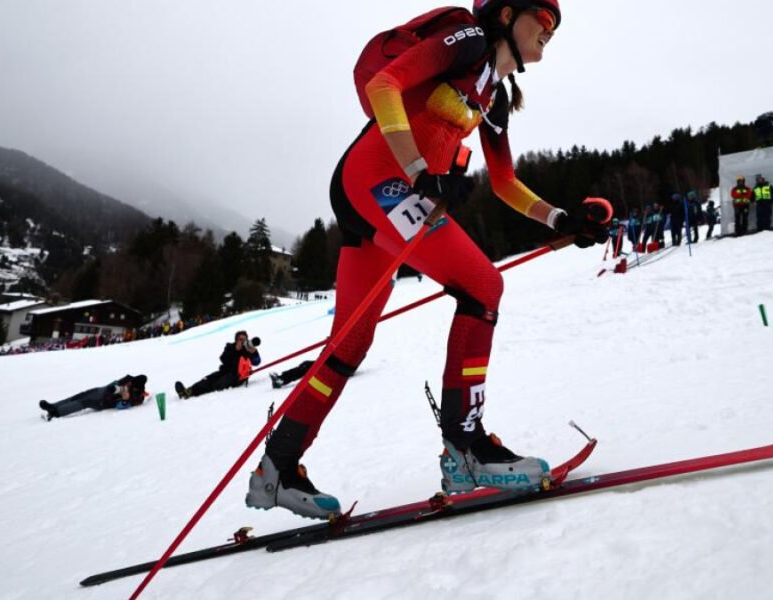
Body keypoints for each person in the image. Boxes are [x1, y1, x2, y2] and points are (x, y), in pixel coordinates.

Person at [246, 0, 609, 520]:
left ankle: (276, 469)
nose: (551, 28)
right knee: (483, 286)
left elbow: (504, 182)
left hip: (380, 191)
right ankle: (465, 449)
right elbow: (385, 86)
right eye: (544, 18)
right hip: (377, 179)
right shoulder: (471, 41)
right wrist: (419, 171)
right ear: (507, 15)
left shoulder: (494, 95)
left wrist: (560, 219)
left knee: (349, 343)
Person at [175, 331, 261, 399]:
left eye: (245, 339)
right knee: (208, 379)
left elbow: (257, 362)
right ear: (236, 340)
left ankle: (193, 393)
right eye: (240, 339)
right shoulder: (230, 347)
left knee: (217, 384)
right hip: (224, 371)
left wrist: (254, 353)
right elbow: (223, 359)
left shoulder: (248, 349)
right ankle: (188, 391)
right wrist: (235, 350)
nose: (243, 342)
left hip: (237, 376)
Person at [39, 375, 148, 420]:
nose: (130, 384)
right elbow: (113, 385)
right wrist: (116, 386)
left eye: (133, 385)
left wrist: (125, 399)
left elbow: (121, 407)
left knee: (84, 402)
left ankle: (57, 413)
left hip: (105, 402)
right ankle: (53, 406)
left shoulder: (138, 397)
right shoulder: (129, 379)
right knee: (78, 396)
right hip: (102, 391)